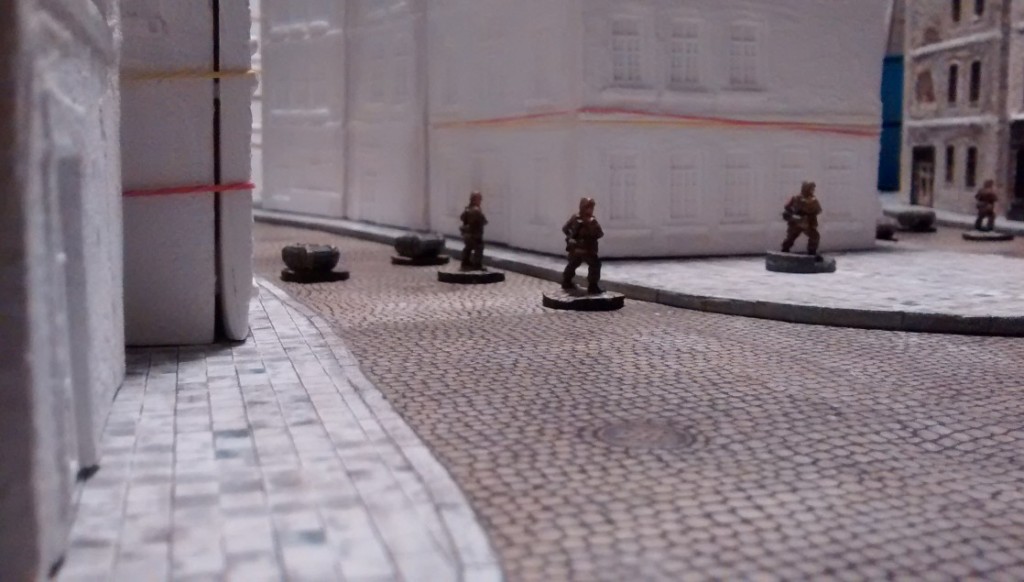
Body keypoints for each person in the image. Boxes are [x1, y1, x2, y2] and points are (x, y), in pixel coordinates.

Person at [561, 197, 604, 294]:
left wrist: (571, 239)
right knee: (595, 265)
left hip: (575, 249)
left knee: (572, 264)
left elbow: (565, 229)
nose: (591, 210)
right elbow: (600, 234)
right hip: (587, 249)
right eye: (589, 207)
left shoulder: (574, 217)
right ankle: (593, 286)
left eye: (591, 208)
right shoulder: (592, 221)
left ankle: (566, 281)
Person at [781, 181, 823, 258]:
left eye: (813, 189)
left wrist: (811, 212)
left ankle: (812, 252)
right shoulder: (795, 198)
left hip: (808, 223)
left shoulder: (813, 200)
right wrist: (791, 215)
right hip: (796, 223)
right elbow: (787, 208)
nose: (812, 190)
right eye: (811, 188)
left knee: (815, 237)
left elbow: (818, 210)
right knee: (790, 238)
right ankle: (784, 251)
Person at [459, 191, 488, 271]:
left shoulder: (467, 209)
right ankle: (477, 265)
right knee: (479, 248)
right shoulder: (476, 210)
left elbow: (462, 217)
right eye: (479, 199)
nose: (481, 200)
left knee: (468, 247)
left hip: (466, 234)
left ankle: (465, 262)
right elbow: (483, 220)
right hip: (474, 234)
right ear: (475, 200)